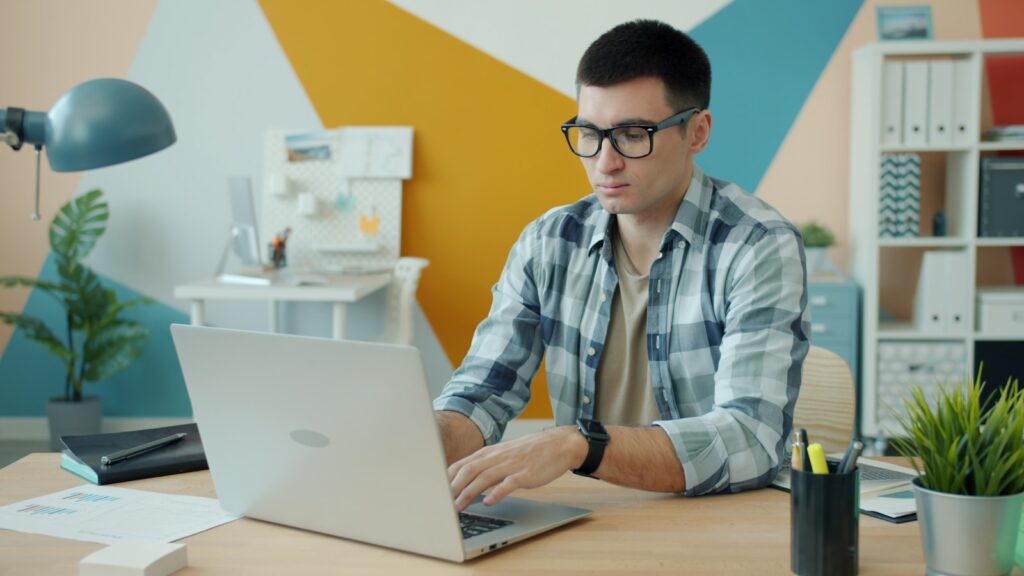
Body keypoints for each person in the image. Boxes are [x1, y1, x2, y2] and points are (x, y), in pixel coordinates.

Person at [433, 19, 809, 513]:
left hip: (710, 520)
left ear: (697, 132)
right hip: (586, 516)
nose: (605, 162)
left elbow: (750, 439)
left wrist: (579, 445)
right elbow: (482, 393)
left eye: (633, 135)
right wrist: (426, 436)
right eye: (590, 133)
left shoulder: (757, 245)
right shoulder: (549, 241)